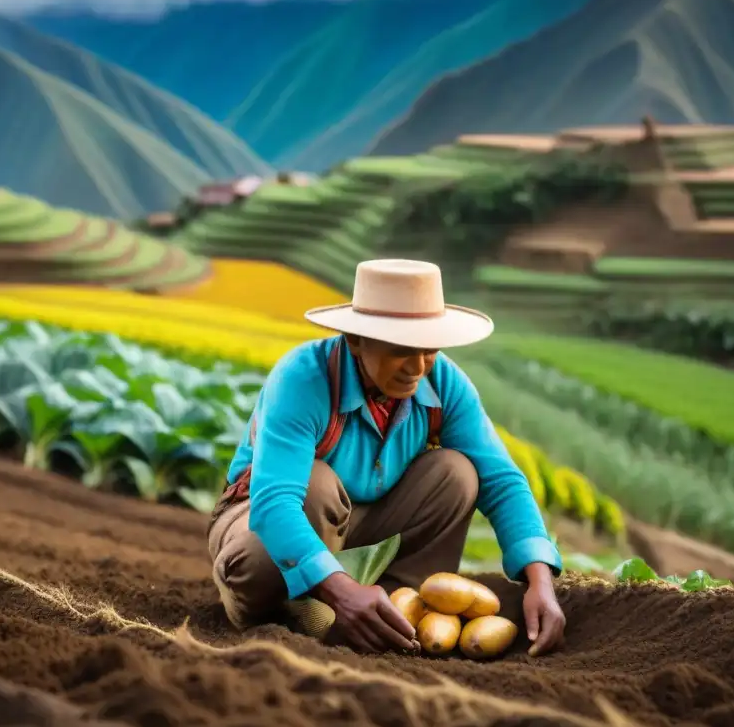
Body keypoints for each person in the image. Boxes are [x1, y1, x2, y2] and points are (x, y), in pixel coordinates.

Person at [207, 259, 566, 655]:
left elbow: (502, 481)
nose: (417, 368)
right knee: (314, 487)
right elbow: (275, 504)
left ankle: (394, 606)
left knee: (457, 473)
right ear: (355, 340)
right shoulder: (303, 378)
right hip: (259, 522)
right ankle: (301, 604)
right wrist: (343, 592)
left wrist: (540, 582)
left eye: (429, 349)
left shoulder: (443, 383)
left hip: (362, 523)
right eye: (401, 351)